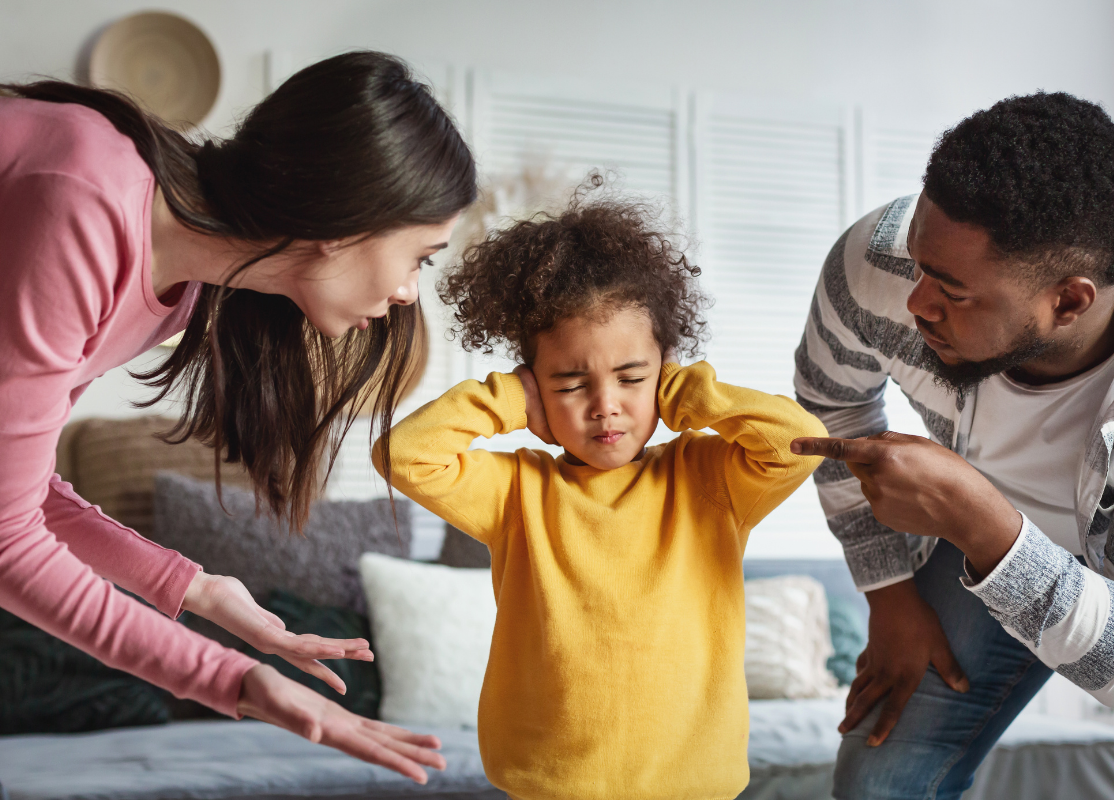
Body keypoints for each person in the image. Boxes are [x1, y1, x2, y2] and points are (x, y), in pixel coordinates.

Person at [0, 51, 476, 782]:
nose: (411, 291)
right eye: (421, 256)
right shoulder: (87, 199)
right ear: (347, 224)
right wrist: (235, 679)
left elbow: (15, 494)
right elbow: (8, 542)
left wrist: (198, 590)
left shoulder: (179, 286)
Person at [790, 92, 1114, 799]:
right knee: (876, 781)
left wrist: (974, 515)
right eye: (919, 263)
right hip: (990, 539)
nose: (915, 301)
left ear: (1068, 302)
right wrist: (889, 592)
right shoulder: (881, 264)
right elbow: (833, 400)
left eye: (951, 289)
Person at [372, 186, 827, 799]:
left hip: (693, 786)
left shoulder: (708, 480)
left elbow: (800, 440)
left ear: (662, 371)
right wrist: (507, 401)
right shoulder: (519, 492)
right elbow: (402, 455)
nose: (605, 405)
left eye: (632, 377)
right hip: (548, 784)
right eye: (569, 384)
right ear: (537, 387)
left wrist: (691, 396)